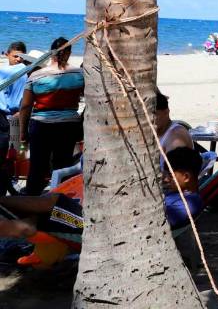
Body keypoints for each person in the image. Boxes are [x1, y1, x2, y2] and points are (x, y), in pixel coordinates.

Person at [0, 145, 204, 247]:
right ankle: (26, 223)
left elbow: (150, 221)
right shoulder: (181, 197)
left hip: (105, 230)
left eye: (169, 173)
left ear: (186, 176)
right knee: (53, 208)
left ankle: (4, 203)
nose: (165, 178)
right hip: (108, 222)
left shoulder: (188, 203)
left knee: (56, 201)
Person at [20, 38, 84, 195]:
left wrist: (23, 132)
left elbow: (26, 106)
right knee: (62, 165)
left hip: (41, 126)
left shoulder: (36, 75)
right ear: (69, 53)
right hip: (68, 126)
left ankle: (32, 202)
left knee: (37, 167)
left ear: (51, 53)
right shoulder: (80, 74)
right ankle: (59, 202)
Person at [1, 42, 30, 194]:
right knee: (11, 152)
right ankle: (10, 183)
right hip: (9, 116)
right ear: (7, 54)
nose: (18, 59)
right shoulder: (9, 72)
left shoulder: (22, 72)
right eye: (15, 56)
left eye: (21, 56)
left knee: (15, 152)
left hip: (15, 115)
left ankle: (11, 181)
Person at [154, 89, 195, 154]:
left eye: (154, 114)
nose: (149, 119)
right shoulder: (155, 133)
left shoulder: (174, 136)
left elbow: (176, 162)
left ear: (166, 112)